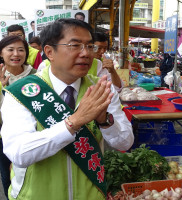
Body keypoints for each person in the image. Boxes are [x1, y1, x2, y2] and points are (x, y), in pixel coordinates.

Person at [1, 18, 134, 200]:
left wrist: (105, 121)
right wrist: (73, 122)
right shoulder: (23, 91)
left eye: (89, 46)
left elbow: (125, 142)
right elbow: (18, 153)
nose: (86, 53)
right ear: (49, 51)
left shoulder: (101, 88)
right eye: (75, 45)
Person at [0, 35, 36, 199]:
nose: (16, 54)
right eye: (10, 49)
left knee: (31, 174)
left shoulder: (37, 76)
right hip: (3, 135)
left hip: (32, 133)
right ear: (1, 53)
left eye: (21, 50)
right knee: (7, 176)